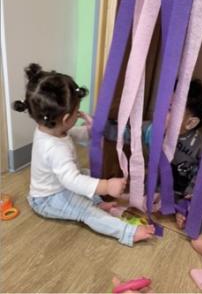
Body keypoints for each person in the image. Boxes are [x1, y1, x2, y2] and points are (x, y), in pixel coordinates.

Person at [13, 63, 155, 247]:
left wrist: (89, 132)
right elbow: (72, 180)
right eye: (77, 112)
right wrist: (105, 186)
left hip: (60, 186)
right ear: (66, 119)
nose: (78, 114)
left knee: (88, 174)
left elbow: (68, 136)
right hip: (48, 199)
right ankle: (127, 232)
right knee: (86, 211)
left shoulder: (48, 129)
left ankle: (97, 203)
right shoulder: (54, 148)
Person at [104, 79, 202, 266]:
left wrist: (188, 202)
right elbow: (129, 133)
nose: (160, 112)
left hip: (188, 190)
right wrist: (99, 128)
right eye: (162, 105)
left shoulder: (200, 144)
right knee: (135, 188)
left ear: (190, 122)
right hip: (160, 187)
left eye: (169, 109)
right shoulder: (153, 130)